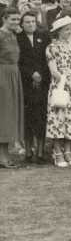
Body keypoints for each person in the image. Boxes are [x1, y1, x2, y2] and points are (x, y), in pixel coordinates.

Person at [46, 16, 71, 167]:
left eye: (70, 29)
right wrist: (67, 82)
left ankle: (68, 152)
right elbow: (54, 71)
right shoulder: (51, 47)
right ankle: (57, 153)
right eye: (66, 30)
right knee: (58, 119)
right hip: (60, 86)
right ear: (59, 31)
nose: (69, 32)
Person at [17, 11, 50, 163]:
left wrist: (40, 75)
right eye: (27, 22)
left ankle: (40, 152)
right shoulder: (18, 38)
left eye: (33, 22)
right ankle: (28, 151)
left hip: (43, 82)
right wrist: (31, 74)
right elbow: (18, 61)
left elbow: (47, 59)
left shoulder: (43, 37)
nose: (31, 24)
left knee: (41, 116)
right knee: (28, 117)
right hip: (25, 83)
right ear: (22, 24)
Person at [0, 10, 25, 167]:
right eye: (13, 19)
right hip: (2, 76)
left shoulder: (13, 35)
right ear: (4, 19)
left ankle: (5, 154)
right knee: (4, 115)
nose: (16, 22)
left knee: (10, 115)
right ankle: (2, 157)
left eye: (18, 19)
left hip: (14, 75)